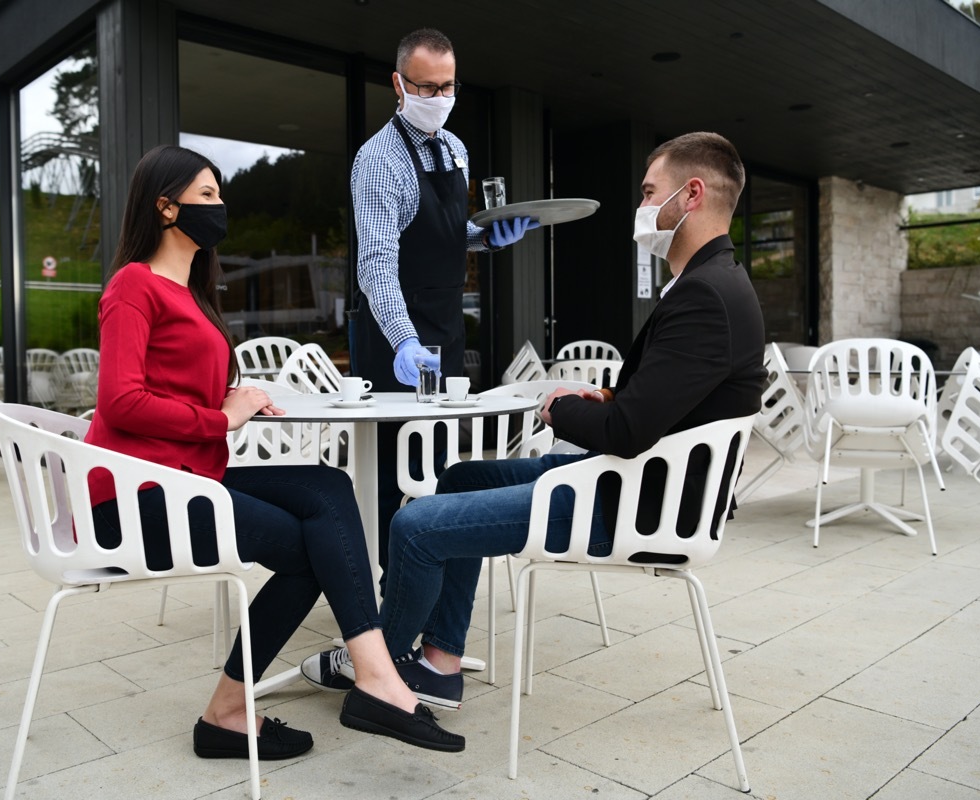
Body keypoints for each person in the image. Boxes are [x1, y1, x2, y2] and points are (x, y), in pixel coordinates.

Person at [304, 131, 766, 710]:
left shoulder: (705, 296)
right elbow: (658, 407)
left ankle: (378, 668)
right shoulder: (712, 284)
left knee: (414, 524)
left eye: (650, 193)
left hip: (636, 504)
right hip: (632, 480)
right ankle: (440, 661)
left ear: (691, 194)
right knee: (458, 480)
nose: (643, 207)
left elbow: (627, 433)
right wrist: (603, 397)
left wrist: (560, 407)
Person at [85, 144, 463, 759]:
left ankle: (350, 681)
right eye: (206, 196)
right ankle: (335, 689)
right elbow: (122, 400)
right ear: (165, 208)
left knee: (327, 487)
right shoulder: (134, 284)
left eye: (218, 194)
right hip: (138, 497)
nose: (219, 206)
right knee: (317, 550)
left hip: (188, 478)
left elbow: (167, 382)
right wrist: (221, 415)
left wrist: (236, 393)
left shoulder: (192, 292)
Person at [348, 27, 539, 575]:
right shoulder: (377, 160)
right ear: (398, 84)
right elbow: (376, 263)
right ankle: (384, 593)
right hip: (393, 334)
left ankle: (424, 577)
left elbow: (443, 232)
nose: (439, 100)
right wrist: (403, 340)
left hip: (446, 323)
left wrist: (486, 237)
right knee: (389, 468)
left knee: (436, 458)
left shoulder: (455, 148)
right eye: (426, 88)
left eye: (448, 87)